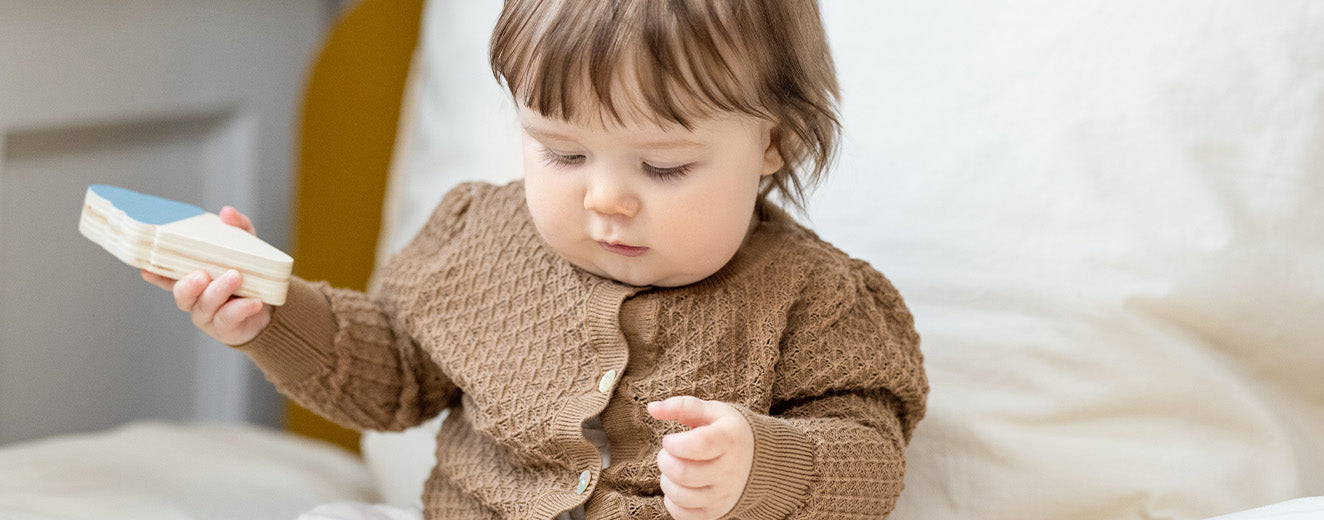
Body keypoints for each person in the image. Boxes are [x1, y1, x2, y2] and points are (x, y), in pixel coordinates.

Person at [141, 1, 927, 519]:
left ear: (774, 144)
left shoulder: (819, 299)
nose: (606, 199)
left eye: (662, 168)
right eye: (561, 153)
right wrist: (273, 315)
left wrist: (763, 466)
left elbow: (869, 458)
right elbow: (393, 374)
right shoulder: (477, 235)